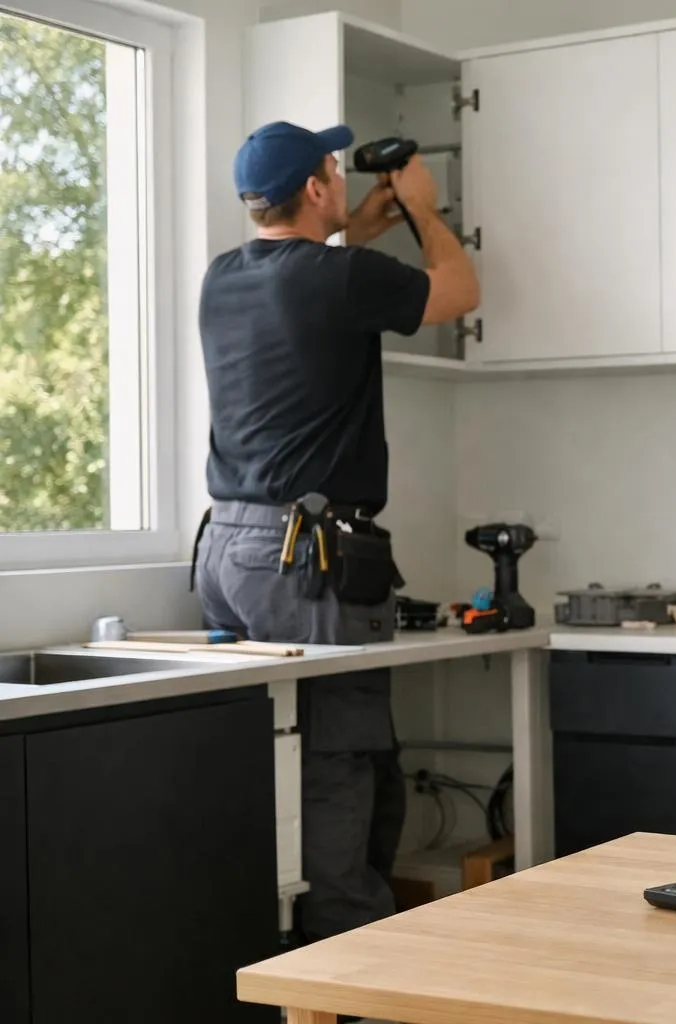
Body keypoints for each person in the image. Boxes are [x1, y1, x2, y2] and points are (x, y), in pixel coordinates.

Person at [193, 121, 479, 943]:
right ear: (317, 190)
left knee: (275, 771)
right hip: (302, 565)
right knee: (337, 773)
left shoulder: (224, 277)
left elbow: (309, 260)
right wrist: (423, 211)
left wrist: (368, 220)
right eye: (331, 171)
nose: (338, 180)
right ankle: (351, 986)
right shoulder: (342, 277)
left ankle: (289, 965)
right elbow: (458, 292)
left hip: (227, 552)